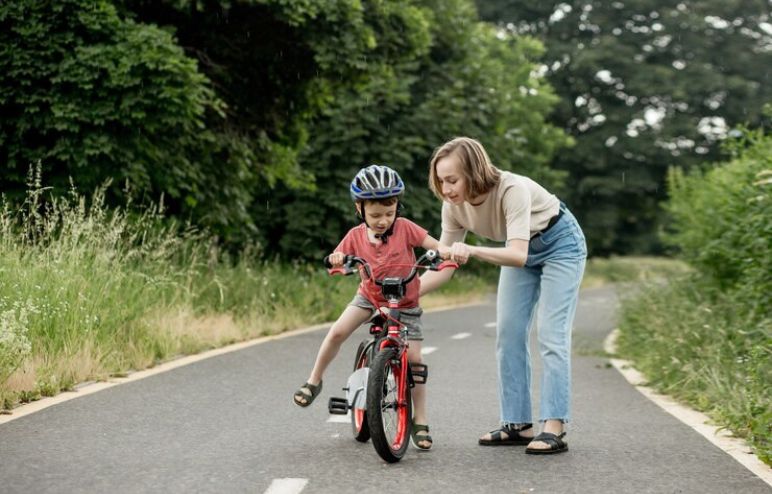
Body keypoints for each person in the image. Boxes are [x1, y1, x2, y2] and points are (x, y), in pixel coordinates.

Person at [420, 137, 587, 454]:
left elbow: (517, 255)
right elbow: (446, 262)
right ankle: (517, 425)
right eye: (441, 182)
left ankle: (554, 426)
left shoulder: (512, 190)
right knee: (508, 333)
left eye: (452, 180)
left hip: (559, 244)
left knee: (551, 334)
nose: (447, 189)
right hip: (518, 252)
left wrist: (471, 249)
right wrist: (409, 294)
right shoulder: (452, 208)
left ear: (473, 171)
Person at [293, 164, 441, 451]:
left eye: (389, 212)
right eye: (375, 215)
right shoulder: (356, 235)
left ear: (398, 206)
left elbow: (433, 245)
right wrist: (337, 260)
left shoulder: (407, 228)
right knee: (337, 332)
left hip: (405, 302)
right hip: (370, 297)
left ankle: (420, 419)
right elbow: (339, 255)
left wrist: (446, 252)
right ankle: (314, 381)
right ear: (360, 209)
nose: (383, 220)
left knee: (416, 360)